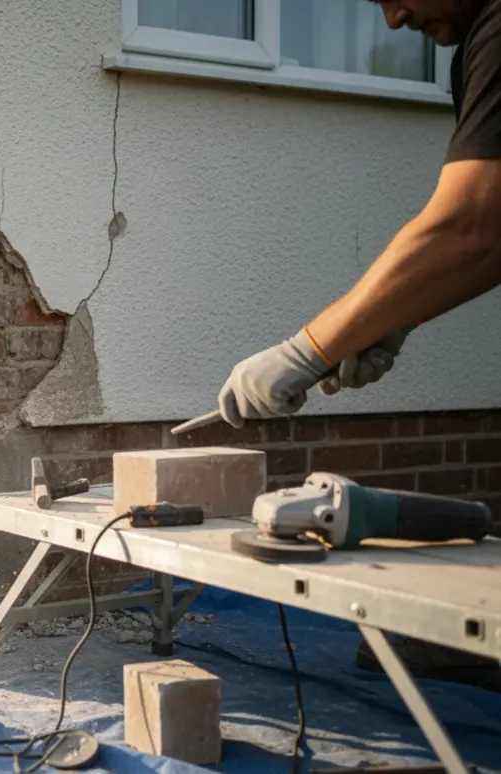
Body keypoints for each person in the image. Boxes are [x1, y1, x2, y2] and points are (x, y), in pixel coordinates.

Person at [216, 0, 501, 689]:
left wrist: (306, 350)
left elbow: (470, 222)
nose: (395, 20)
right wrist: (396, 316)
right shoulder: (474, 45)